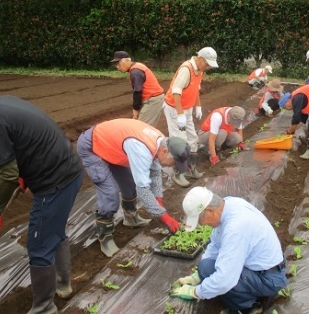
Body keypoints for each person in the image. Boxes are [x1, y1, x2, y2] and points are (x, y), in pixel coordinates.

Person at [0, 90, 83, 314]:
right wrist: (25, 171)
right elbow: (26, 141)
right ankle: (63, 286)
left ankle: (44, 308)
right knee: (54, 233)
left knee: (39, 245)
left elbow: (7, 175)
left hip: (54, 182)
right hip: (68, 170)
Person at [77, 118, 189, 257]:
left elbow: (154, 173)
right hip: (93, 146)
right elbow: (143, 189)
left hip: (113, 146)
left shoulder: (159, 142)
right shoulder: (141, 149)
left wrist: (158, 199)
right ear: (165, 151)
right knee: (110, 192)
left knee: (128, 183)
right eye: (173, 162)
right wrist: (164, 217)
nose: (172, 166)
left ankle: (131, 218)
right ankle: (105, 237)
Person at [171, 187, 288, 314]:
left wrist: (195, 292)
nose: (201, 225)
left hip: (269, 279)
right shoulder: (229, 205)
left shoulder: (236, 229)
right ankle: (246, 295)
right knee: (205, 267)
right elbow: (215, 245)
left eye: (200, 220)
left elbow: (225, 279)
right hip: (260, 270)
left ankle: (248, 307)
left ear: (210, 211)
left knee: (221, 276)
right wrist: (197, 277)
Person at [163, 47, 219, 187]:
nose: (207, 67)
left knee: (193, 139)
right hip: (174, 108)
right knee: (180, 143)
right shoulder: (186, 69)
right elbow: (176, 91)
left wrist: (197, 106)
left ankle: (190, 169)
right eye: (207, 64)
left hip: (186, 108)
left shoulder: (199, 70)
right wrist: (180, 114)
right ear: (200, 58)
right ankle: (178, 173)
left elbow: (196, 89)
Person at [110, 51, 164, 127]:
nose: (118, 67)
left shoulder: (135, 72)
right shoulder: (136, 66)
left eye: (118, 64)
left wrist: (136, 110)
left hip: (152, 100)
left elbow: (137, 92)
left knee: (143, 128)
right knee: (143, 127)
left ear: (127, 60)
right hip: (152, 99)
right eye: (116, 65)